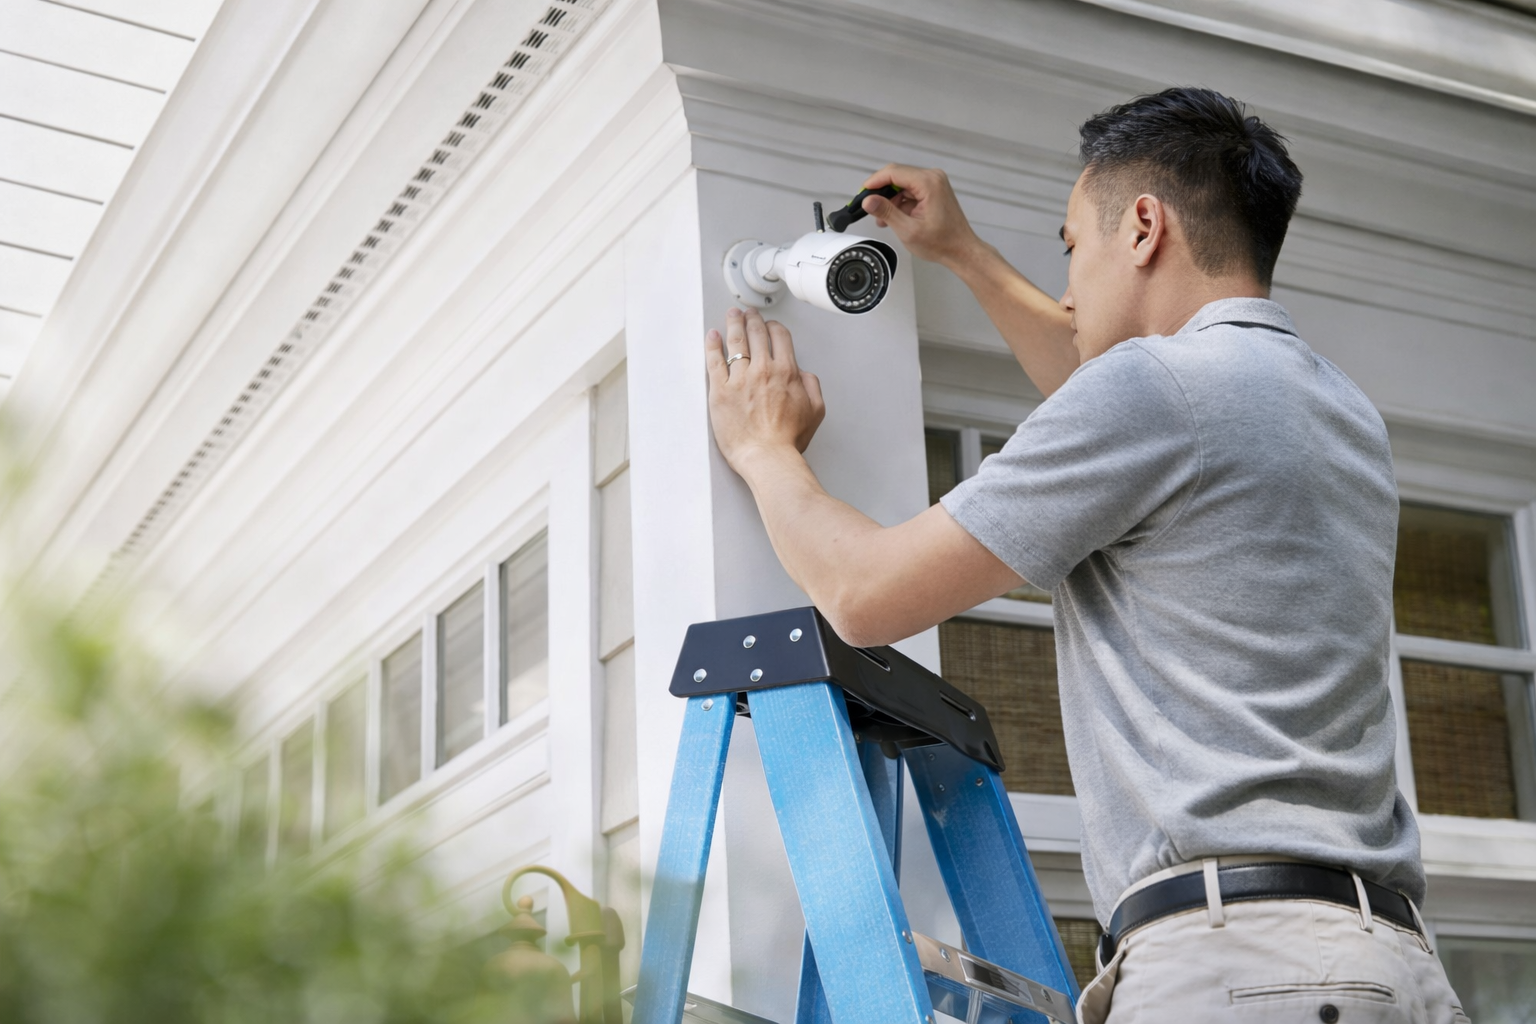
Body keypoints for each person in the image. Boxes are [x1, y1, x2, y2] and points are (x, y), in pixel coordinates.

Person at [701, 88, 1468, 1023]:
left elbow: (865, 595)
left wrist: (764, 451)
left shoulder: (1158, 392)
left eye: (1071, 247)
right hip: (1387, 964)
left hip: (1245, 970)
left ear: (1143, 226)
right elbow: (1107, 386)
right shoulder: (1333, 408)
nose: (1067, 288)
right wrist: (960, 253)